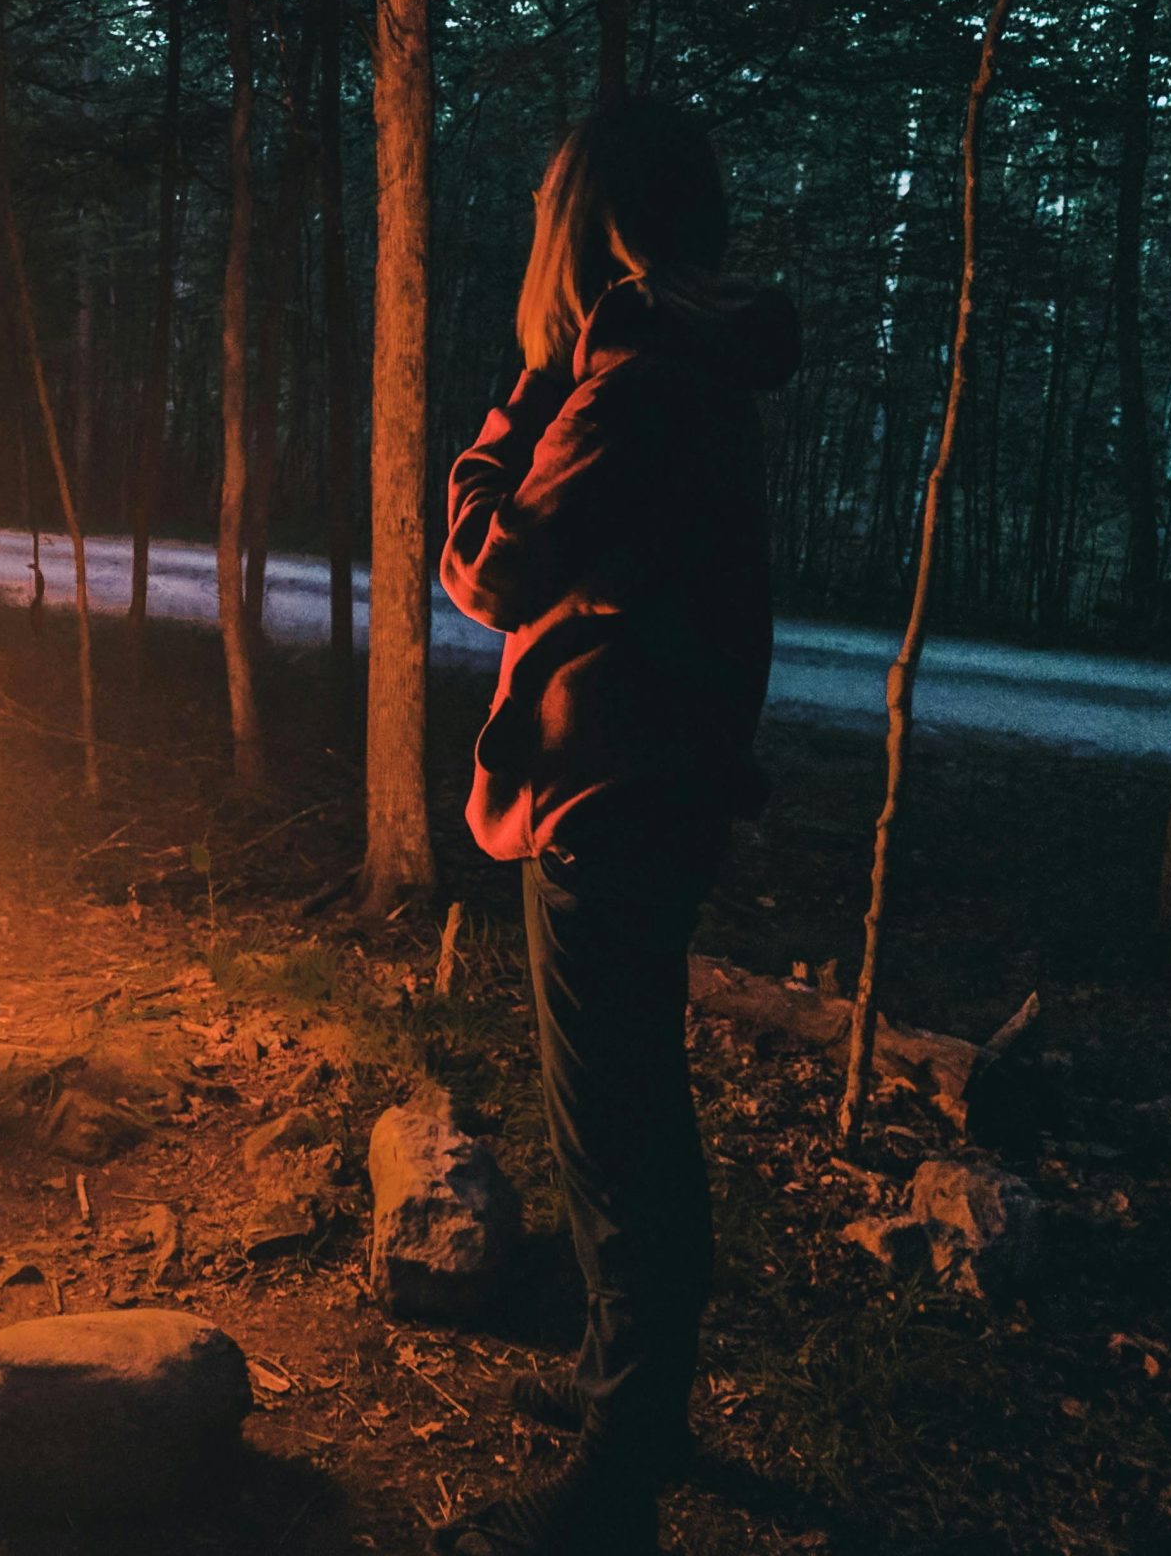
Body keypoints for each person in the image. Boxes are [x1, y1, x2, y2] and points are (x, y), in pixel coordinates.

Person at [434, 98, 799, 1555]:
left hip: (613, 793)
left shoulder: (634, 384)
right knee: (626, 1116)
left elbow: (497, 571)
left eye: (547, 212)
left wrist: (493, 438)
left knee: (622, 1135)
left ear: (586, 229)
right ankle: (620, 1389)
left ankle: (618, 1476)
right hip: (650, 779)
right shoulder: (679, 369)